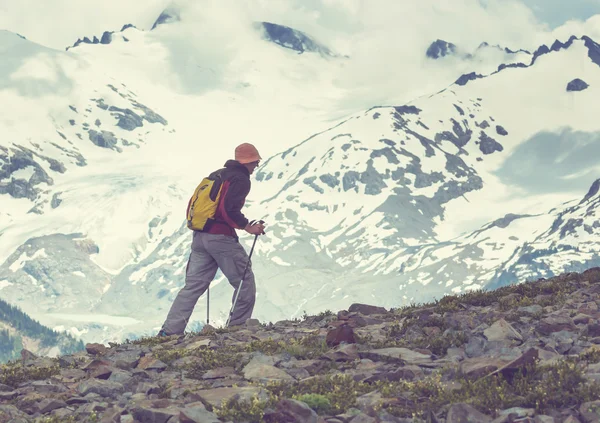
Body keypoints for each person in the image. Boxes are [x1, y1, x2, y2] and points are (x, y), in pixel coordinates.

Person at [158, 143, 265, 335]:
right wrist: (248, 226)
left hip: (200, 236)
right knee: (244, 280)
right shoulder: (240, 179)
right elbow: (228, 210)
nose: (256, 166)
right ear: (250, 161)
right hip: (220, 238)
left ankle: (169, 331)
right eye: (256, 162)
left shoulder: (216, 174)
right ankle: (237, 328)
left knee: (192, 287)